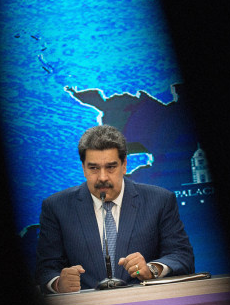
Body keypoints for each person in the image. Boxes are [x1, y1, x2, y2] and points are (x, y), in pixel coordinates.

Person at [36, 124, 195, 293]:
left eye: (111, 167)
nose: (102, 177)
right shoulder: (56, 207)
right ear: (83, 168)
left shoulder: (159, 200)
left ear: (124, 165)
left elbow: (182, 255)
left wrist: (152, 270)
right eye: (94, 168)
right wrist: (58, 283)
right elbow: (45, 269)